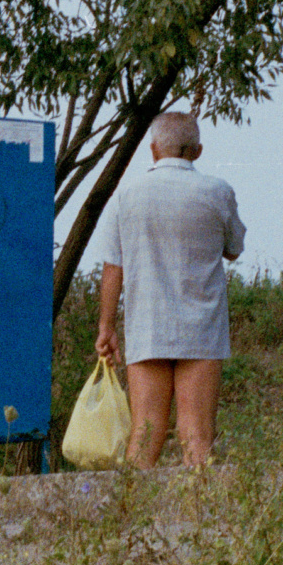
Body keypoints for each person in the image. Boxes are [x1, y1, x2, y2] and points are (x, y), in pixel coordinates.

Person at [93, 111, 245, 468]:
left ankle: (129, 517)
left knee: (146, 430)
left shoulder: (127, 194)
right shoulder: (217, 191)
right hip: (202, 328)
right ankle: (199, 516)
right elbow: (234, 249)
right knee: (197, 431)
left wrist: (106, 327)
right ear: (198, 151)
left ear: (153, 150)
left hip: (148, 325)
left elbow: (113, 266)